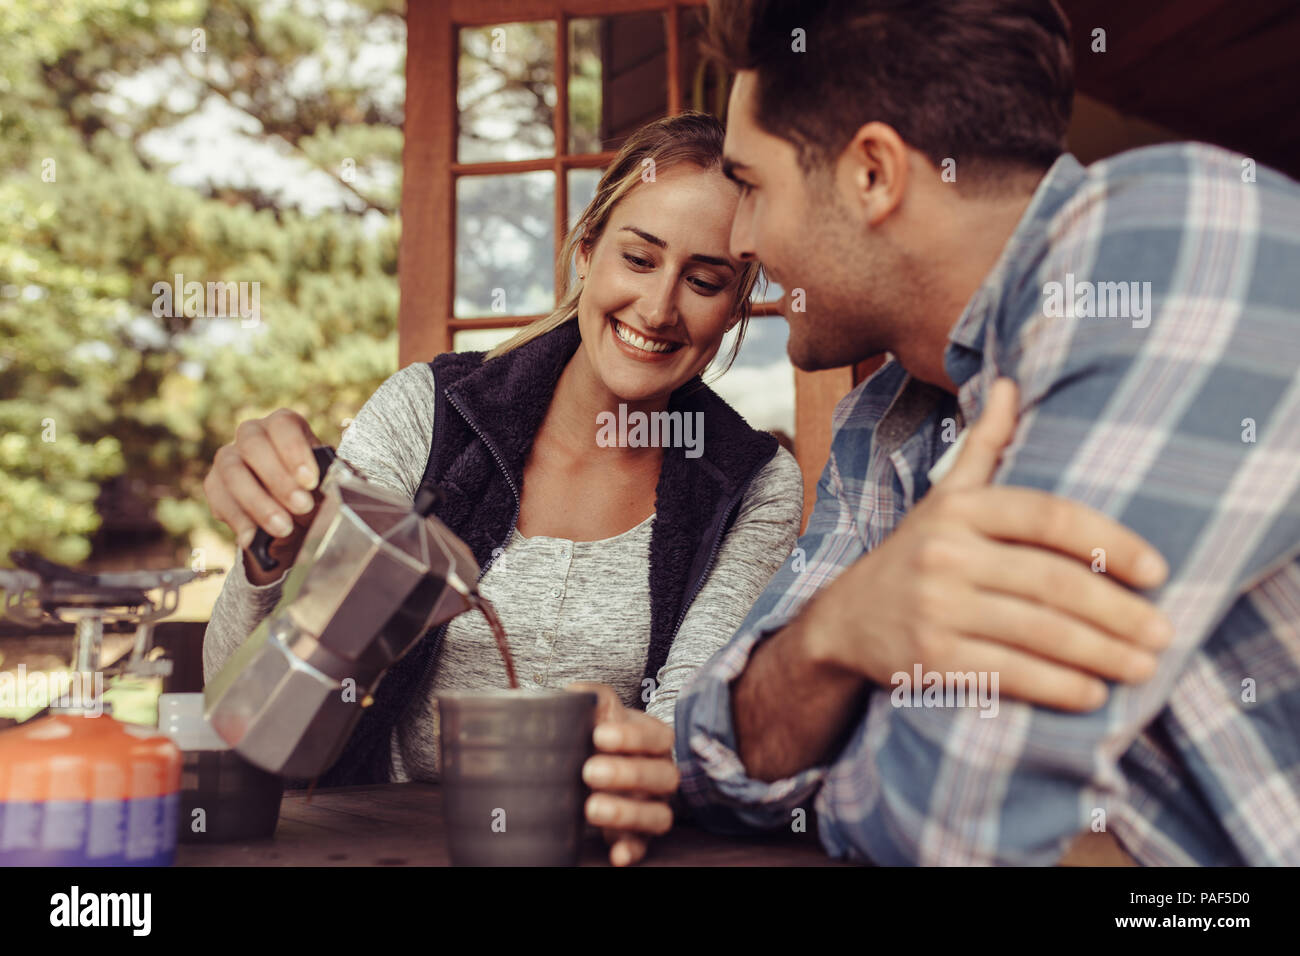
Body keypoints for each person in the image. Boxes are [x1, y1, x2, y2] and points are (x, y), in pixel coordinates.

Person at [676, 0, 1300, 865]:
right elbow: (721, 768)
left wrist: (837, 750)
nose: (739, 240)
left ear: (872, 175)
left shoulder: (1180, 238)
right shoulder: (886, 419)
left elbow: (957, 816)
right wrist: (836, 629)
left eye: (750, 185)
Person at [201, 111, 806, 866]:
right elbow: (249, 698)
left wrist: (644, 750)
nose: (657, 309)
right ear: (587, 250)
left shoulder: (752, 486)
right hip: (373, 843)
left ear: (736, 304)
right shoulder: (429, 412)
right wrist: (274, 556)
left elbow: (686, 729)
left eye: (705, 280)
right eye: (638, 258)